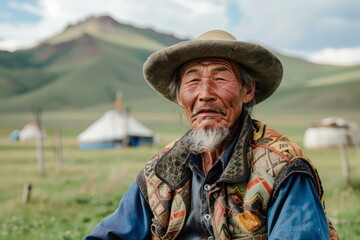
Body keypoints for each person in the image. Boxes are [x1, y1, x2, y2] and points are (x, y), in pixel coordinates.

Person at [84, 30, 338, 240]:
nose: (205, 93)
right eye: (192, 81)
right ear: (180, 97)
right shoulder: (160, 171)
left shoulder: (283, 167)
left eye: (220, 78)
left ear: (247, 91)